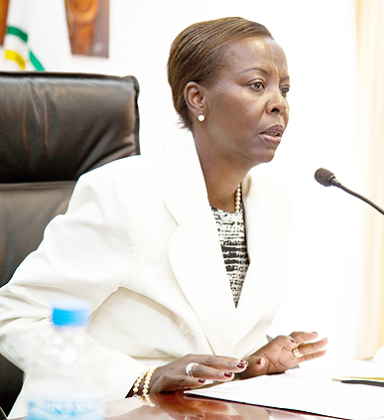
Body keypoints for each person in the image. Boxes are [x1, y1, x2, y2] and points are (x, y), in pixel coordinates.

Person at [0, 17, 327, 417]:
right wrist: (141, 378)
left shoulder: (273, 202)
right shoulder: (127, 192)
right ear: (197, 99)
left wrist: (250, 363)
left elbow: (211, 339)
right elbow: (16, 316)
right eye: (257, 85)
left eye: (284, 88)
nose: (279, 102)